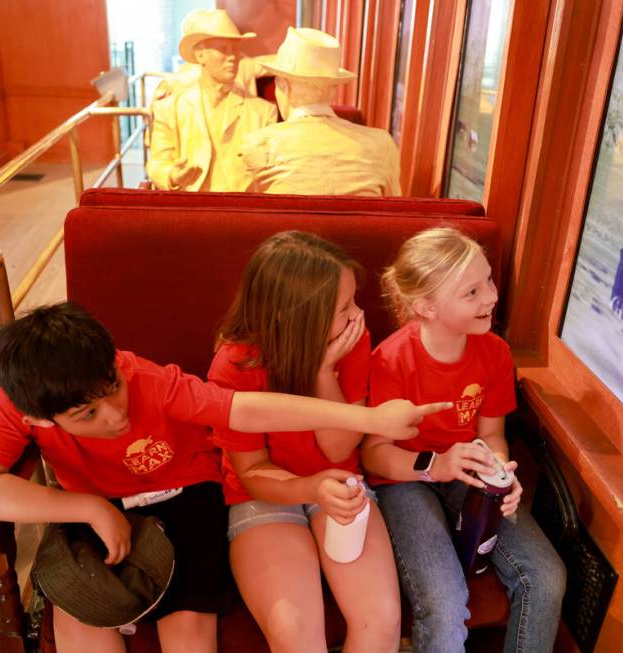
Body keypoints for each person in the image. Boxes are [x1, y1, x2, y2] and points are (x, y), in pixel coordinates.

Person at [0, 302, 447, 653]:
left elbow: (244, 409)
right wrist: (87, 507)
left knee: (188, 638)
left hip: (187, 496)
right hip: (97, 506)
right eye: (88, 415)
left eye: (114, 389)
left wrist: (370, 421)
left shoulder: (143, 376)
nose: (116, 414)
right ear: (39, 420)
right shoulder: (21, 406)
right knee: (83, 628)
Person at [361, 227, 566, 653]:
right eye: (471, 292)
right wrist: (437, 465)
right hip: (405, 480)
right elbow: (376, 454)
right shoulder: (391, 360)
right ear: (425, 306)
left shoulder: (494, 353)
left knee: (546, 578)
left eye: (488, 280)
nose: (491, 296)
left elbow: (491, 434)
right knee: (444, 600)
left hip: (466, 472)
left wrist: (499, 477)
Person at [208, 232, 400, 652]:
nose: (358, 315)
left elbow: (337, 450)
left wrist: (322, 372)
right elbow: (253, 472)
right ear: (296, 317)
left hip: (337, 479)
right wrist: (310, 488)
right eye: (344, 307)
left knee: (381, 625)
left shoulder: (349, 341)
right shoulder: (235, 364)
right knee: (296, 634)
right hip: (264, 493)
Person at [242, 27, 401, 196]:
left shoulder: (258, 145)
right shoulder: (383, 145)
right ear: (333, 89)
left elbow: (241, 212)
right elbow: (396, 213)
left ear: (283, 86)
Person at [146, 9, 278, 192]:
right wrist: (172, 176)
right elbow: (157, 163)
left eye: (235, 49)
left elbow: (270, 173)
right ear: (200, 55)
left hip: (241, 212)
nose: (233, 57)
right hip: (190, 210)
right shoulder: (170, 108)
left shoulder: (263, 113)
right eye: (223, 49)